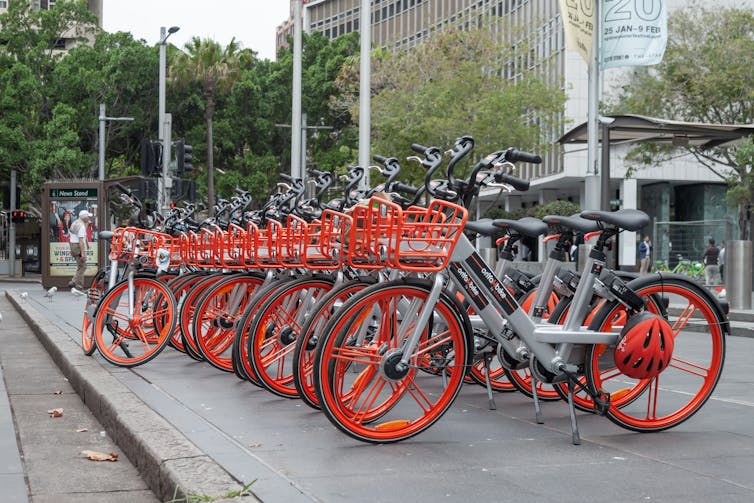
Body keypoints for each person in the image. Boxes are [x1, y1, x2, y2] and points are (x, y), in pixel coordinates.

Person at [68, 210, 91, 290]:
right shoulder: (81, 226)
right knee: (83, 267)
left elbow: (70, 237)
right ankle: (76, 283)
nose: (89, 218)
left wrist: (71, 248)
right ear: (84, 217)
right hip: (78, 247)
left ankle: (78, 286)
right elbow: (81, 241)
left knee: (80, 267)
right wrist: (83, 254)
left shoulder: (75, 223)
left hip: (73, 246)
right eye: (88, 216)